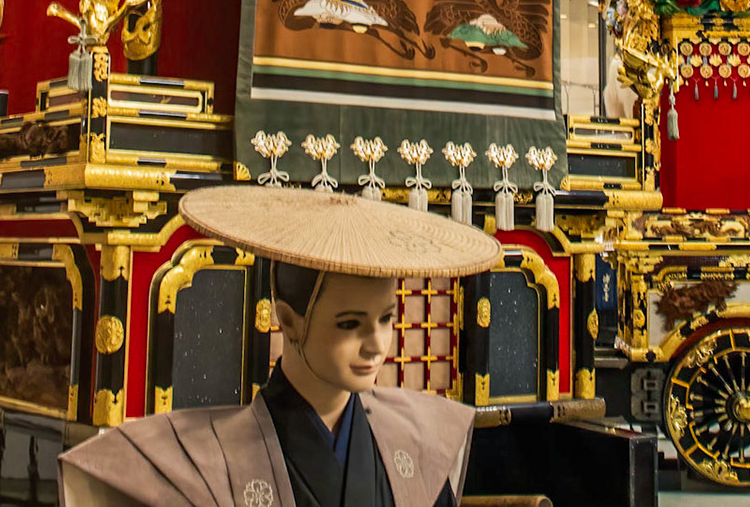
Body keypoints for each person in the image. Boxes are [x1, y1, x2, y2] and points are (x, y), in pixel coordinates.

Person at [60, 185, 502, 507]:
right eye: (350, 324)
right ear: (288, 319)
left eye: (386, 319)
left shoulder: (418, 438)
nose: (377, 345)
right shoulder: (199, 462)